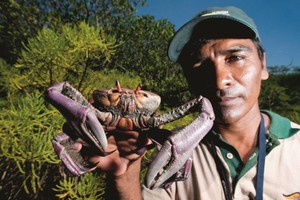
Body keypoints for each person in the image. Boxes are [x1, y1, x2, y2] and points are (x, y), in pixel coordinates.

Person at [73, 6, 300, 200]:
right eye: (199, 65)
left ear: (263, 64)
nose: (220, 81)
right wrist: (124, 173)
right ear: (188, 78)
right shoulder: (173, 156)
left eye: (235, 58)